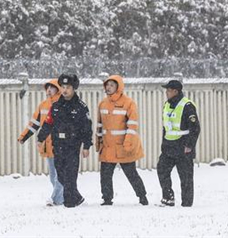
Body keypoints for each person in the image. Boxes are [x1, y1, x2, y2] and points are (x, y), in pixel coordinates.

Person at [37, 73, 92, 208]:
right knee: (61, 175)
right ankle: (77, 199)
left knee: (70, 175)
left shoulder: (81, 107)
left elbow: (87, 128)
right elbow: (48, 123)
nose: (65, 90)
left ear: (74, 89)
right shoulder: (56, 106)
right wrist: (41, 138)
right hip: (58, 145)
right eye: (62, 87)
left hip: (72, 146)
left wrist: (86, 146)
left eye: (68, 87)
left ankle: (69, 203)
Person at [96, 74, 148, 206]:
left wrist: (128, 143)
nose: (108, 88)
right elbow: (99, 125)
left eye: (112, 85)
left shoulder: (128, 103)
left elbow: (132, 126)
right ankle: (107, 199)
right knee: (105, 174)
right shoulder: (103, 103)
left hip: (123, 146)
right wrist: (98, 142)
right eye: (107, 85)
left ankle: (142, 196)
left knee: (131, 173)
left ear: (118, 87)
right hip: (108, 147)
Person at [18, 78, 64, 206]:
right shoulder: (43, 105)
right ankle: (62, 199)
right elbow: (34, 123)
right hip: (47, 145)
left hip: (61, 145)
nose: (49, 90)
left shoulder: (63, 104)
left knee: (60, 175)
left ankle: (55, 198)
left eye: (52, 87)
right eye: (47, 88)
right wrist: (24, 136)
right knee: (53, 177)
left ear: (58, 89)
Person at [157, 79, 201, 207]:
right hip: (169, 146)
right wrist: (163, 144)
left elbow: (195, 128)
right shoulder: (167, 105)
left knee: (185, 177)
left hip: (183, 146)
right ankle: (168, 197)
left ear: (176, 91)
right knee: (162, 170)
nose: (166, 92)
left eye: (169, 90)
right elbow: (166, 127)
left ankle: (186, 204)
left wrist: (189, 145)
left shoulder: (187, 106)